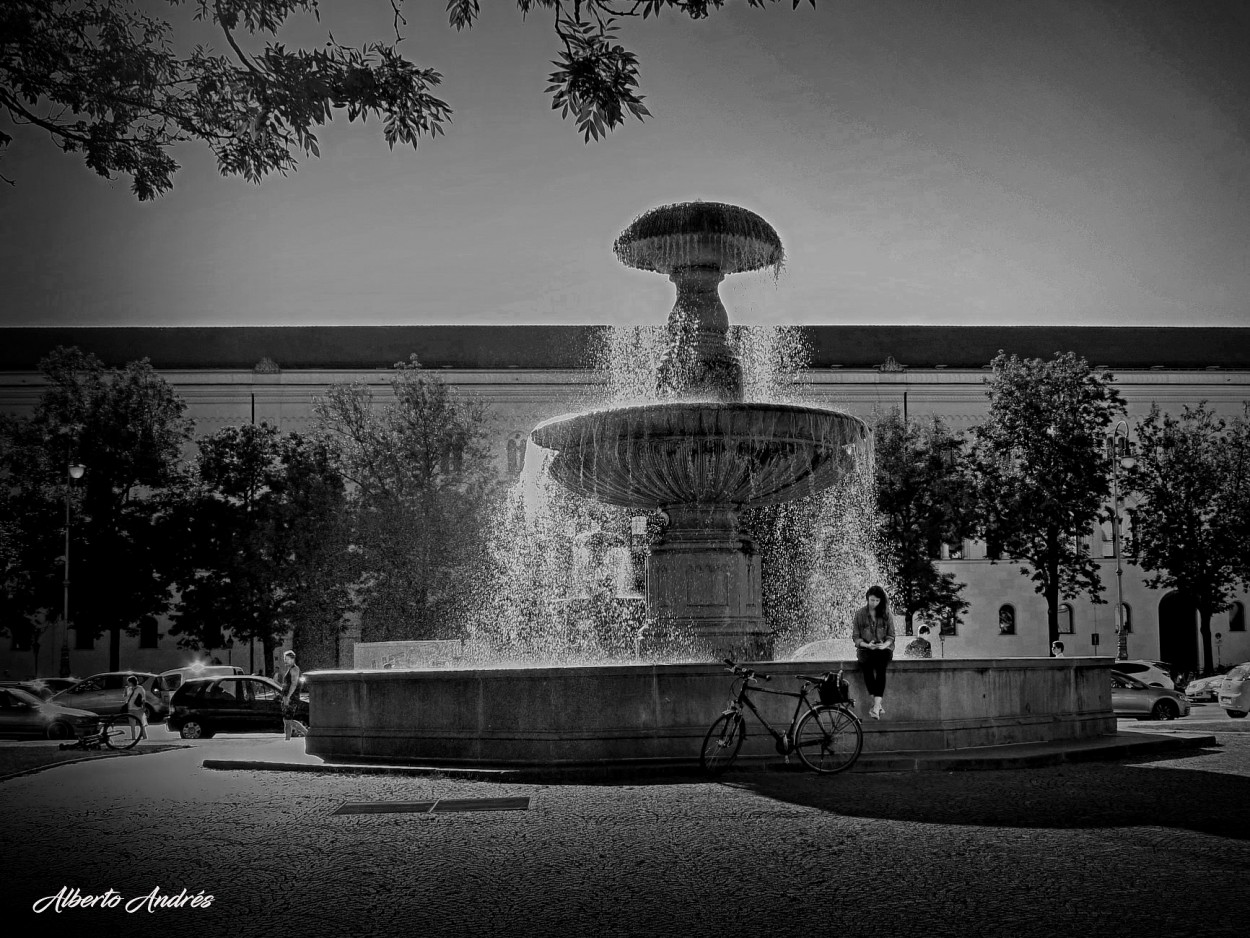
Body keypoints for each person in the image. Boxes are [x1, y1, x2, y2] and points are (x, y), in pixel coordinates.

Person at [853, 585, 895, 719]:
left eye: (877, 601)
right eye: (872, 600)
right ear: (867, 598)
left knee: (881, 664)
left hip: (883, 649)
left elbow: (891, 636)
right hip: (866, 648)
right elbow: (856, 637)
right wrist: (867, 645)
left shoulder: (887, 614)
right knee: (866, 664)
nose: (874, 603)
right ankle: (877, 706)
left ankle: (876, 706)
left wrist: (884, 645)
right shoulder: (859, 614)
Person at [279, 650, 308, 739]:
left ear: (292, 659)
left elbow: (294, 684)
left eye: (287, 659)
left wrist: (288, 697)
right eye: (285, 659)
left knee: (288, 720)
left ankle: (307, 733)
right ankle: (287, 738)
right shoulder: (290, 669)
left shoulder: (295, 669)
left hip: (291, 698)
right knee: (286, 720)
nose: (285, 661)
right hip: (287, 697)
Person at [122, 675, 149, 740]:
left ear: (132, 682)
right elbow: (125, 698)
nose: (128, 683)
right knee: (132, 724)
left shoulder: (140, 688)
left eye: (129, 682)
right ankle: (133, 737)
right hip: (130, 708)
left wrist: (143, 707)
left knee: (141, 723)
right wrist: (125, 691)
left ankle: (144, 736)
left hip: (138, 708)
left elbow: (143, 698)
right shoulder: (128, 689)